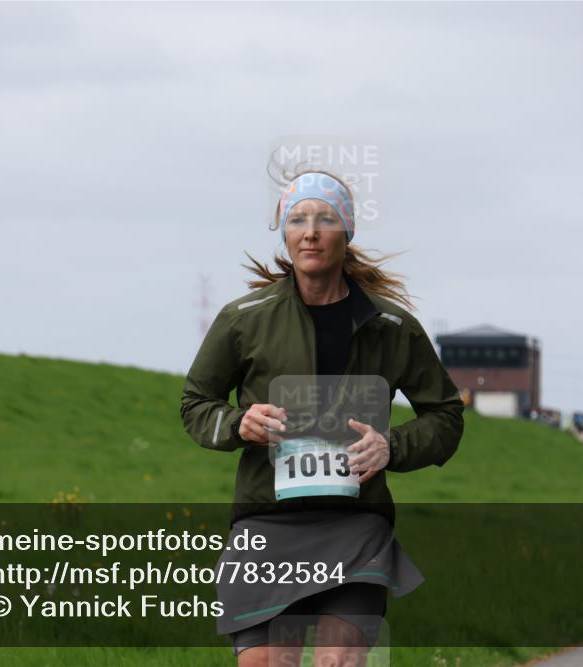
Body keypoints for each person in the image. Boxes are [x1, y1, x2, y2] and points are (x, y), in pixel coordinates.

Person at [180, 168, 465, 665]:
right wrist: (237, 423)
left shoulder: (392, 327)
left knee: (338, 660)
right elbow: (195, 404)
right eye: (297, 219)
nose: (310, 230)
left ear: (347, 232)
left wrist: (392, 446)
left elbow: (445, 417)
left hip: (354, 526)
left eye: (325, 218)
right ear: (286, 234)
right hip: (266, 524)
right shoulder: (243, 319)